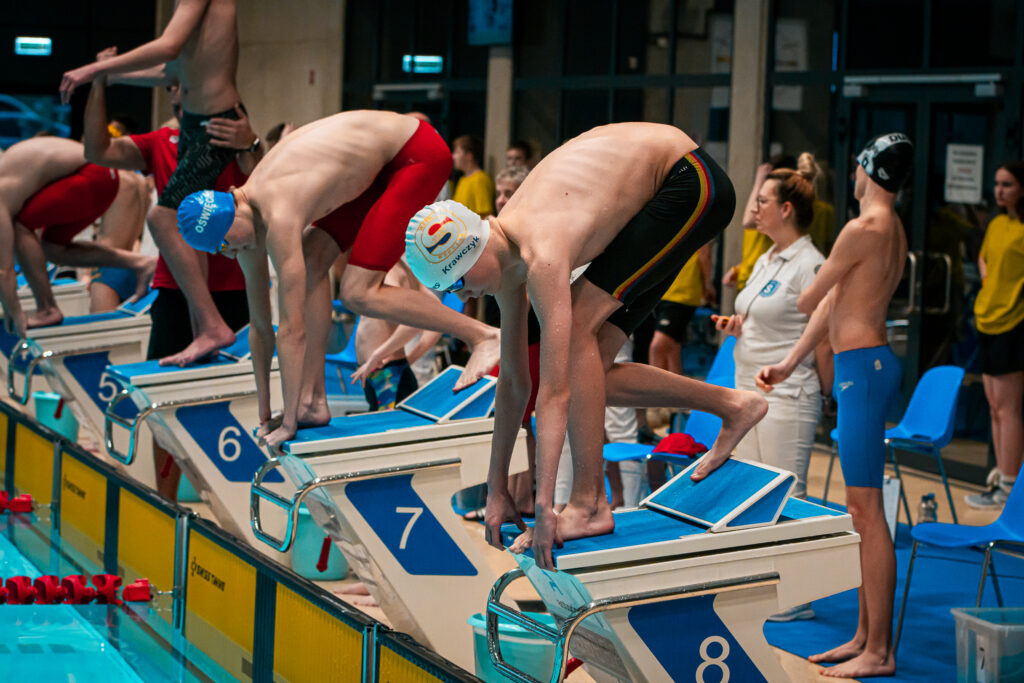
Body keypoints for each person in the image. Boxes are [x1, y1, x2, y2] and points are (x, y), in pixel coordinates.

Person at [405, 122, 766, 569]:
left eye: (458, 281)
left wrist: (544, 504)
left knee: (577, 337)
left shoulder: (542, 252)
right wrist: (496, 486)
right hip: (659, 194)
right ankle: (734, 405)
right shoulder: (505, 261)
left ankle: (590, 503)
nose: (462, 295)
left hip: (688, 181)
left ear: (474, 251)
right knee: (590, 369)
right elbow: (517, 383)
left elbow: (553, 393)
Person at [175, 110, 501, 449]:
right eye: (221, 251)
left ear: (231, 204)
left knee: (358, 293)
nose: (231, 253)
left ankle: (483, 335)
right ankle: (312, 402)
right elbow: (259, 327)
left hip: (415, 155)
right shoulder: (241, 220)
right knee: (314, 258)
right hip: (380, 165)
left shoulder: (278, 211)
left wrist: (287, 422)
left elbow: (291, 329)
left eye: (227, 244)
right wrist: (263, 413)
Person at [757, 133, 913, 678]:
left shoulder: (863, 228)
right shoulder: (888, 230)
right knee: (859, 511)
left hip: (863, 373)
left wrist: (811, 301)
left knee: (867, 513)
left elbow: (809, 299)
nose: (851, 177)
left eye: (856, 169)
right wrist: (792, 361)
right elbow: (836, 304)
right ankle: (865, 636)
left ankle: (880, 652)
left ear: (868, 171)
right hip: (859, 369)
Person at [83, 72, 257, 500]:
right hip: (175, 289)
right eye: (176, 84)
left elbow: (261, 184)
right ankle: (166, 500)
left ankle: (230, 502)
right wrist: (99, 84)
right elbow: (96, 150)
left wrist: (251, 142)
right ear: (173, 95)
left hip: (235, 287)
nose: (183, 89)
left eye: (187, 81)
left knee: (232, 406)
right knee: (163, 403)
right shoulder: (159, 142)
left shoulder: (230, 129)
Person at [61, 0, 258, 367]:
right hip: (200, 125)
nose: (174, 91)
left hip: (212, 126)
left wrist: (95, 67)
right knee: (184, 229)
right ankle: (205, 327)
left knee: (163, 218)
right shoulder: (159, 136)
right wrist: (106, 77)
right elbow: (173, 68)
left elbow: (168, 46)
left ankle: (212, 326)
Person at [0, 137, 156, 335]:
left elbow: (4, 270)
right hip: (103, 173)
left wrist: (14, 313)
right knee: (54, 249)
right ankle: (141, 262)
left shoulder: (2, 193)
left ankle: (47, 308)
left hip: (92, 174)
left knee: (21, 226)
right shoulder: (8, 176)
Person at [966, 161, 1024, 509]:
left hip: (1013, 324)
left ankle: (1010, 482)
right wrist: (990, 280)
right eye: (997, 184)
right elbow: (984, 257)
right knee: (993, 406)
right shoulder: (997, 223)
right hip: (987, 318)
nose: (1000, 190)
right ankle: (1003, 474)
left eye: (1008, 184)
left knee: (1009, 407)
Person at [724, 154, 796, 290]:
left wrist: (759, 181)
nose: (757, 208)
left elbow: (748, 221)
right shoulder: (766, 207)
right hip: (751, 275)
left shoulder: (776, 207)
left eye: (763, 201)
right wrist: (738, 269)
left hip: (763, 280)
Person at [452, 135, 495, 217]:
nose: (453, 156)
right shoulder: (462, 179)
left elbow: (486, 216)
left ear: (469, 155)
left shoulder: (480, 179)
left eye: (457, 152)